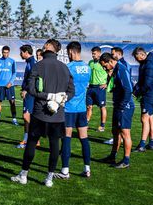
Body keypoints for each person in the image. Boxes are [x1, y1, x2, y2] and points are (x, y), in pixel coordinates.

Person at [11, 39, 74, 188]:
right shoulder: (65, 68)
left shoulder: (39, 66)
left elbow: (31, 90)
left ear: (47, 47)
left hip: (40, 113)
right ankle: (49, 178)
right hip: (58, 115)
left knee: (32, 144)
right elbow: (72, 91)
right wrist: (60, 98)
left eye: (45, 45)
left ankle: (24, 175)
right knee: (54, 146)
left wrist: (51, 97)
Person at [55, 42, 92, 179]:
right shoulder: (87, 68)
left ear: (71, 51)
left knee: (67, 139)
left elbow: (62, 88)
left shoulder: (68, 67)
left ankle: (65, 170)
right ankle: (87, 168)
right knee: (84, 139)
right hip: (81, 108)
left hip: (69, 108)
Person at [99, 53, 134, 169]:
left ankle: (126, 160)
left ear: (109, 61)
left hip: (124, 107)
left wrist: (123, 105)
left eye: (105, 66)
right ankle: (112, 156)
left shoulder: (121, 69)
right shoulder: (115, 70)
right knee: (115, 131)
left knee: (125, 133)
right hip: (118, 105)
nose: (104, 68)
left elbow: (129, 89)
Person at [132, 47, 153, 152]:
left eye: (137, 57)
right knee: (150, 118)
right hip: (150, 95)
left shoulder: (149, 65)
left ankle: (142, 145)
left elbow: (147, 83)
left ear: (142, 55)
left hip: (149, 96)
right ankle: (152, 143)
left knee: (144, 119)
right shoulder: (146, 63)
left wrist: (137, 92)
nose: (136, 60)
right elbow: (142, 81)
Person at [17, 45, 38, 148]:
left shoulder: (32, 63)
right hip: (28, 93)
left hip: (30, 93)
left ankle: (32, 139)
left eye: (21, 52)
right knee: (27, 116)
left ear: (26, 52)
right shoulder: (29, 62)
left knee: (27, 116)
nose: (20, 54)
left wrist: (26, 90)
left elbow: (32, 80)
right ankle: (27, 139)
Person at [0, 46, 18, 127]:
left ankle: (14, 119)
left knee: (12, 102)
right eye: (4, 52)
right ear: (2, 52)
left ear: (9, 52)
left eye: (7, 52)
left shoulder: (12, 61)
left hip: (9, 86)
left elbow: (14, 73)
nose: (5, 54)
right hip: (0, 85)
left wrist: (11, 82)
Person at [86, 46, 108, 132]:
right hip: (91, 87)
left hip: (100, 88)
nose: (93, 55)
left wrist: (107, 83)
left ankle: (102, 126)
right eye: (92, 53)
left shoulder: (103, 62)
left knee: (102, 107)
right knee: (88, 107)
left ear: (99, 53)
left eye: (94, 53)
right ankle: (86, 124)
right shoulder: (90, 62)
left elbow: (111, 73)